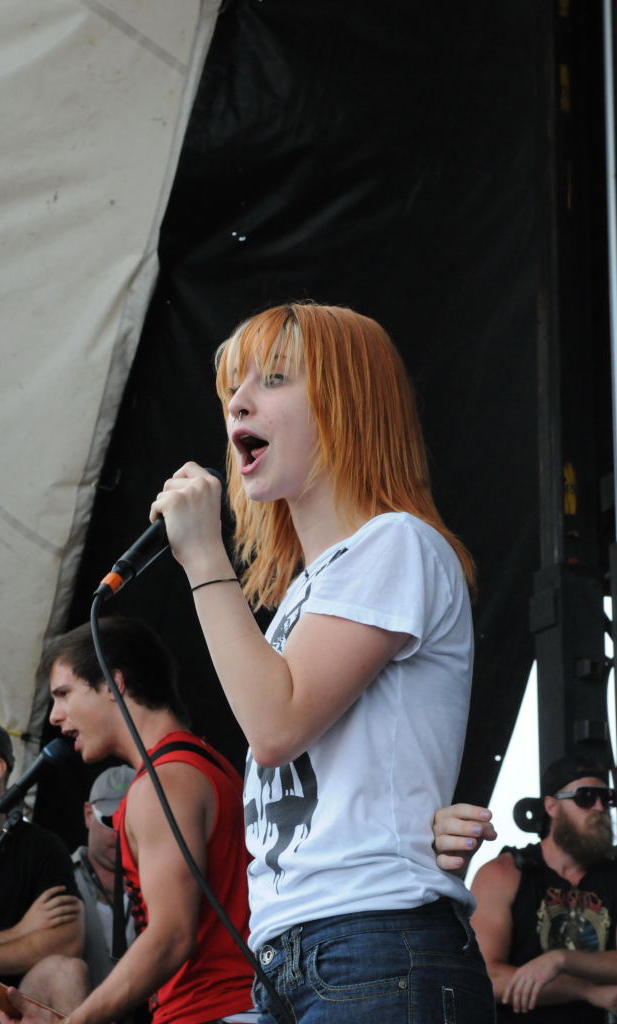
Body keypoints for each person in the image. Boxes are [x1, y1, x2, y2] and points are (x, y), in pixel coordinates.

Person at [147, 301, 496, 1022]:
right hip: (297, 952)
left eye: (274, 379)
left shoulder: (396, 543)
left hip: (373, 941)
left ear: (348, 405)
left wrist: (205, 556)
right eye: (234, 388)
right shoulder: (306, 594)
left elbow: (275, 725)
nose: (239, 402)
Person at [0, 615, 255, 1024]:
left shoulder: (163, 782)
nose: (54, 716)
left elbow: (171, 936)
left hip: (212, 1011)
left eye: (64, 694)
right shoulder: (202, 764)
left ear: (113, 684)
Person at [463, 757, 617, 1021]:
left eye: (606, 798)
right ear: (552, 806)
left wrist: (561, 959)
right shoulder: (504, 873)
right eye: (585, 797)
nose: (599, 807)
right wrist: (586, 991)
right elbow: (487, 976)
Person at [0, 715, 85, 1022]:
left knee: (66, 971)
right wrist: (20, 933)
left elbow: (67, 942)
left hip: (8, 1009)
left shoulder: (43, 848)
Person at [72, 765, 136, 988]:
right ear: (88, 814)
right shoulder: (57, 876)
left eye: (129, 820)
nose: (119, 831)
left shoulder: (162, 883)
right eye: (110, 820)